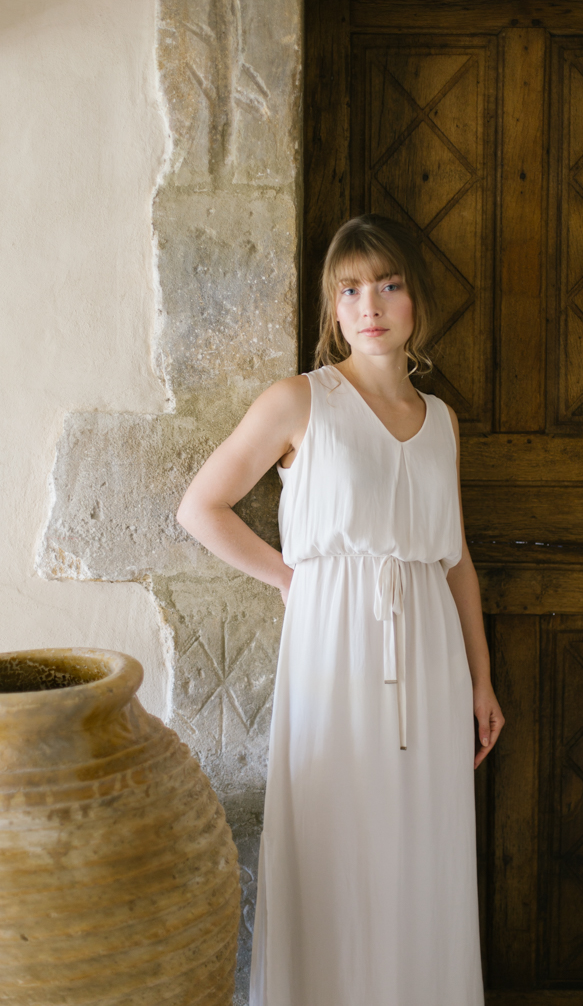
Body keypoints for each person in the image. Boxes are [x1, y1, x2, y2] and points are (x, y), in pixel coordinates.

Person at [177, 213, 505, 1006]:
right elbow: (202, 507)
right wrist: (289, 580)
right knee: (335, 846)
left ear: (414, 301)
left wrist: (482, 681)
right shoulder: (301, 402)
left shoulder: (443, 423)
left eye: (389, 285)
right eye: (351, 289)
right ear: (332, 307)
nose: (371, 305)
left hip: (428, 650)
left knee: (419, 848)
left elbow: (455, 560)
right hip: (334, 649)